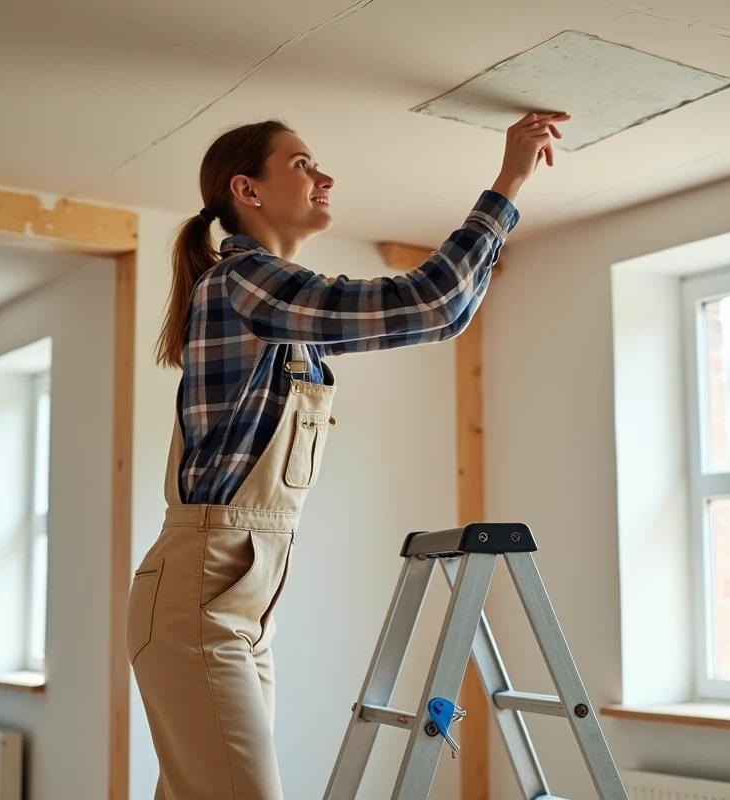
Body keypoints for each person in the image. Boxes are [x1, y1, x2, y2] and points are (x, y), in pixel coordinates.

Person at [126, 110, 570, 799]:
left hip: (242, 601)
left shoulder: (286, 323)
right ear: (247, 191)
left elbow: (444, 313)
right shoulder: (244, 284)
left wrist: (495, 228)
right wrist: (509, 181)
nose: (324, 175)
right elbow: (430, 300)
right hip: (201, 597)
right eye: (301, 164)